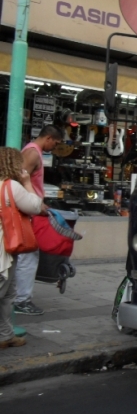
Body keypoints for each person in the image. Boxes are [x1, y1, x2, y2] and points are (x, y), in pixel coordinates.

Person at [13, 125, 62, 316]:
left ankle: (18, 297)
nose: (55, 147)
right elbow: (20, 180)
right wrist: (35, 205)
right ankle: (21, 300)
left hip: (31, 209)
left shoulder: (33, 151)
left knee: (26, 256)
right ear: (48, 138)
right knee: (28, 256)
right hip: (28, 211)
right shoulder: (33, 153)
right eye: (55, 143)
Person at [0, 148, 46, 348]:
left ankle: (5, 335)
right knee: (3, 293)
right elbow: (35, 206)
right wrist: (27, 183)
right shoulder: (11, 187)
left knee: (9, 294)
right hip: (4, 247)